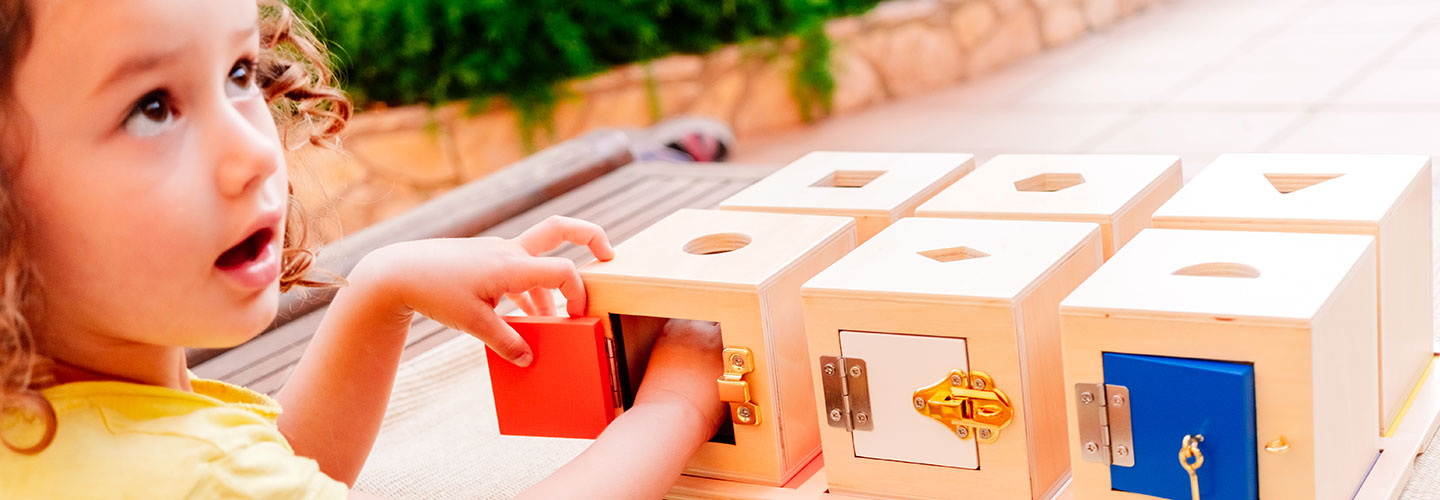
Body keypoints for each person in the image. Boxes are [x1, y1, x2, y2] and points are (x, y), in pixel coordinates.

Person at [0, 1, 726, 498]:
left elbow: (283, 469)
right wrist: (674, 409)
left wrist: (384, 288)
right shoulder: (201, 479)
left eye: (240, 73)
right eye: (152, 108)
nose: (254, 151)